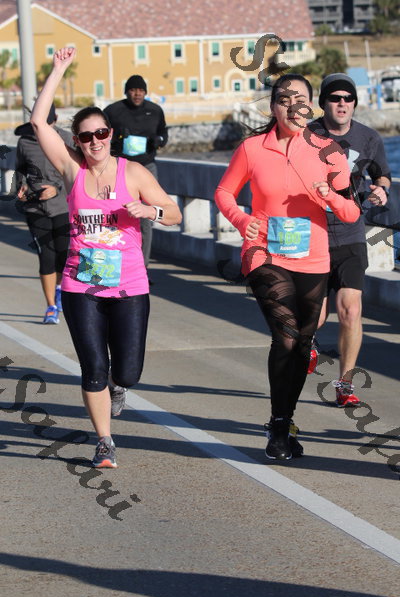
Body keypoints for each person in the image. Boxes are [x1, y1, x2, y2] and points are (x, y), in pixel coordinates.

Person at [30, 47, 181, 468]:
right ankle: (104, 440)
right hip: (82, 284)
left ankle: (119, 384)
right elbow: (39, 122)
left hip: (129, 284)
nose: (94, 142)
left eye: (100, 133)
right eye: (85, 136)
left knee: (128, 371)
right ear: (76, 142)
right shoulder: (72, 170)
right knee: (93, 366)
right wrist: (59, 69)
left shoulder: (133, 172)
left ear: (111, 134)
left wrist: (149, 211)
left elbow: (173, 213)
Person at [215, 74, 360, 460]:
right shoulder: (252, 148)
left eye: (300, 100)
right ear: (273, 107)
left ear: (311, 106)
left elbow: (351, 212)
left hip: (313, 258)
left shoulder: (328, 151)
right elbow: (224, 191)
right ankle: (279, 427)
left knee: (303, 344)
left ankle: (284, 419)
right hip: (264, 253)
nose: (292, 107)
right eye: (283, 100)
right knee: (287, 337)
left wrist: (329, 196)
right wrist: (242, 220)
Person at [308, 73, 391, 406]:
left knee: (351, 311)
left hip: (350, 232)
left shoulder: (368, 138)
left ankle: (345, 385)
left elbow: (382, 175)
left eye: (348, 98)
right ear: (324, 103)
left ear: (354, 103)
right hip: (312, 234)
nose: (342, 103)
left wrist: (381, 190)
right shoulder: (306, 136)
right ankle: (308, 345)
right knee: (315, 316)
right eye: (335, 98)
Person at [14, 104, 72, 324]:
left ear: (55, 120)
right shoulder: (25, 142)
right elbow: (20, 169)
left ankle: (59, 288)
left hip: (63, 205)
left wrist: (56, 188)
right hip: (35, 207)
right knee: (46, 256)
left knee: (63, 255)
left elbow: (74, 170)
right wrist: (21, 187)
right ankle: (50, 306)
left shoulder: (66, 139)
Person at [104, 75, 168, 272]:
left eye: (141, 90)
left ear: (145, 92)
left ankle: (142, 268)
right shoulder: (113, 111)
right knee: (116, 215)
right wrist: (116, 140)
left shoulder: (155, 110)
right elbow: (102, 135)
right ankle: (117, 265)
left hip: (147, 167)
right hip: (120, 168)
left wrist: (158, 141)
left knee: (146, 220)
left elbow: (164, 134)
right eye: (133, 90)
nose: (137, 94)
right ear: (126, 92)